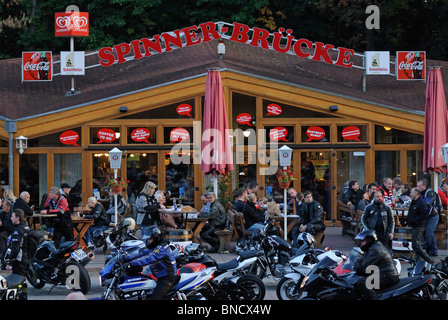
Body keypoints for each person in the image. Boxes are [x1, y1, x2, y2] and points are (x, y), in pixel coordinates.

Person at [124, 226, 179, 300]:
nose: (148, 241)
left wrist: (131, 263)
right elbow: (142, 254)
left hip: (168, 278)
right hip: (160, 277)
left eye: (150, 239)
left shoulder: (162, 248)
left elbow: (149, 258)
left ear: (156, 239)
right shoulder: (155, 246)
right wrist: (126, 258)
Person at [353, 230, 399, 300]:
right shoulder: (372, 247)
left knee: (363, 282)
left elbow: (362, 268)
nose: (361, 244)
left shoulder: (375, 250)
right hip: (383, 273)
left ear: (369, 240)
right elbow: (361, 261)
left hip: (388, 275)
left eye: (363, 242)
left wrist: (356, 264)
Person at [408, 187, 434, 264]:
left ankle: (429, 260)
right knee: (417, 244)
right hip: (415, 225)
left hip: (419, 226)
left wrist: (415, 220)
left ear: (416, 194)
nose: (410, 194)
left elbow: (424, 214)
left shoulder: (421, 203)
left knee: (415, 245)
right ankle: (418, 260)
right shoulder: (414, 202)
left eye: (411, 192)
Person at [417, 179, 441, 257]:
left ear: (424, 186)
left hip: (433, 216)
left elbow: (427, 204)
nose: (418, 187)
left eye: (419, 186)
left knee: (429, 233)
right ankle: (434, 251)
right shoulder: (421, 193)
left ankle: (429, 250)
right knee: (428, 233)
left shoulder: (430, 193)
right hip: (427, 216)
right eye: (417, 186)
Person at [3, 209, 31, 276]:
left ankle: (21, 287)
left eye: (12, 216)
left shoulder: (18, 231)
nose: (11, 218)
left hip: (19, 260)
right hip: (27, 258)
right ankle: (23, 286)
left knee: (18, 280)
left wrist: (9, 262)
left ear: (18, 218)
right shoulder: (27, 227)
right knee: (23, 279)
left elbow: (15, 248)